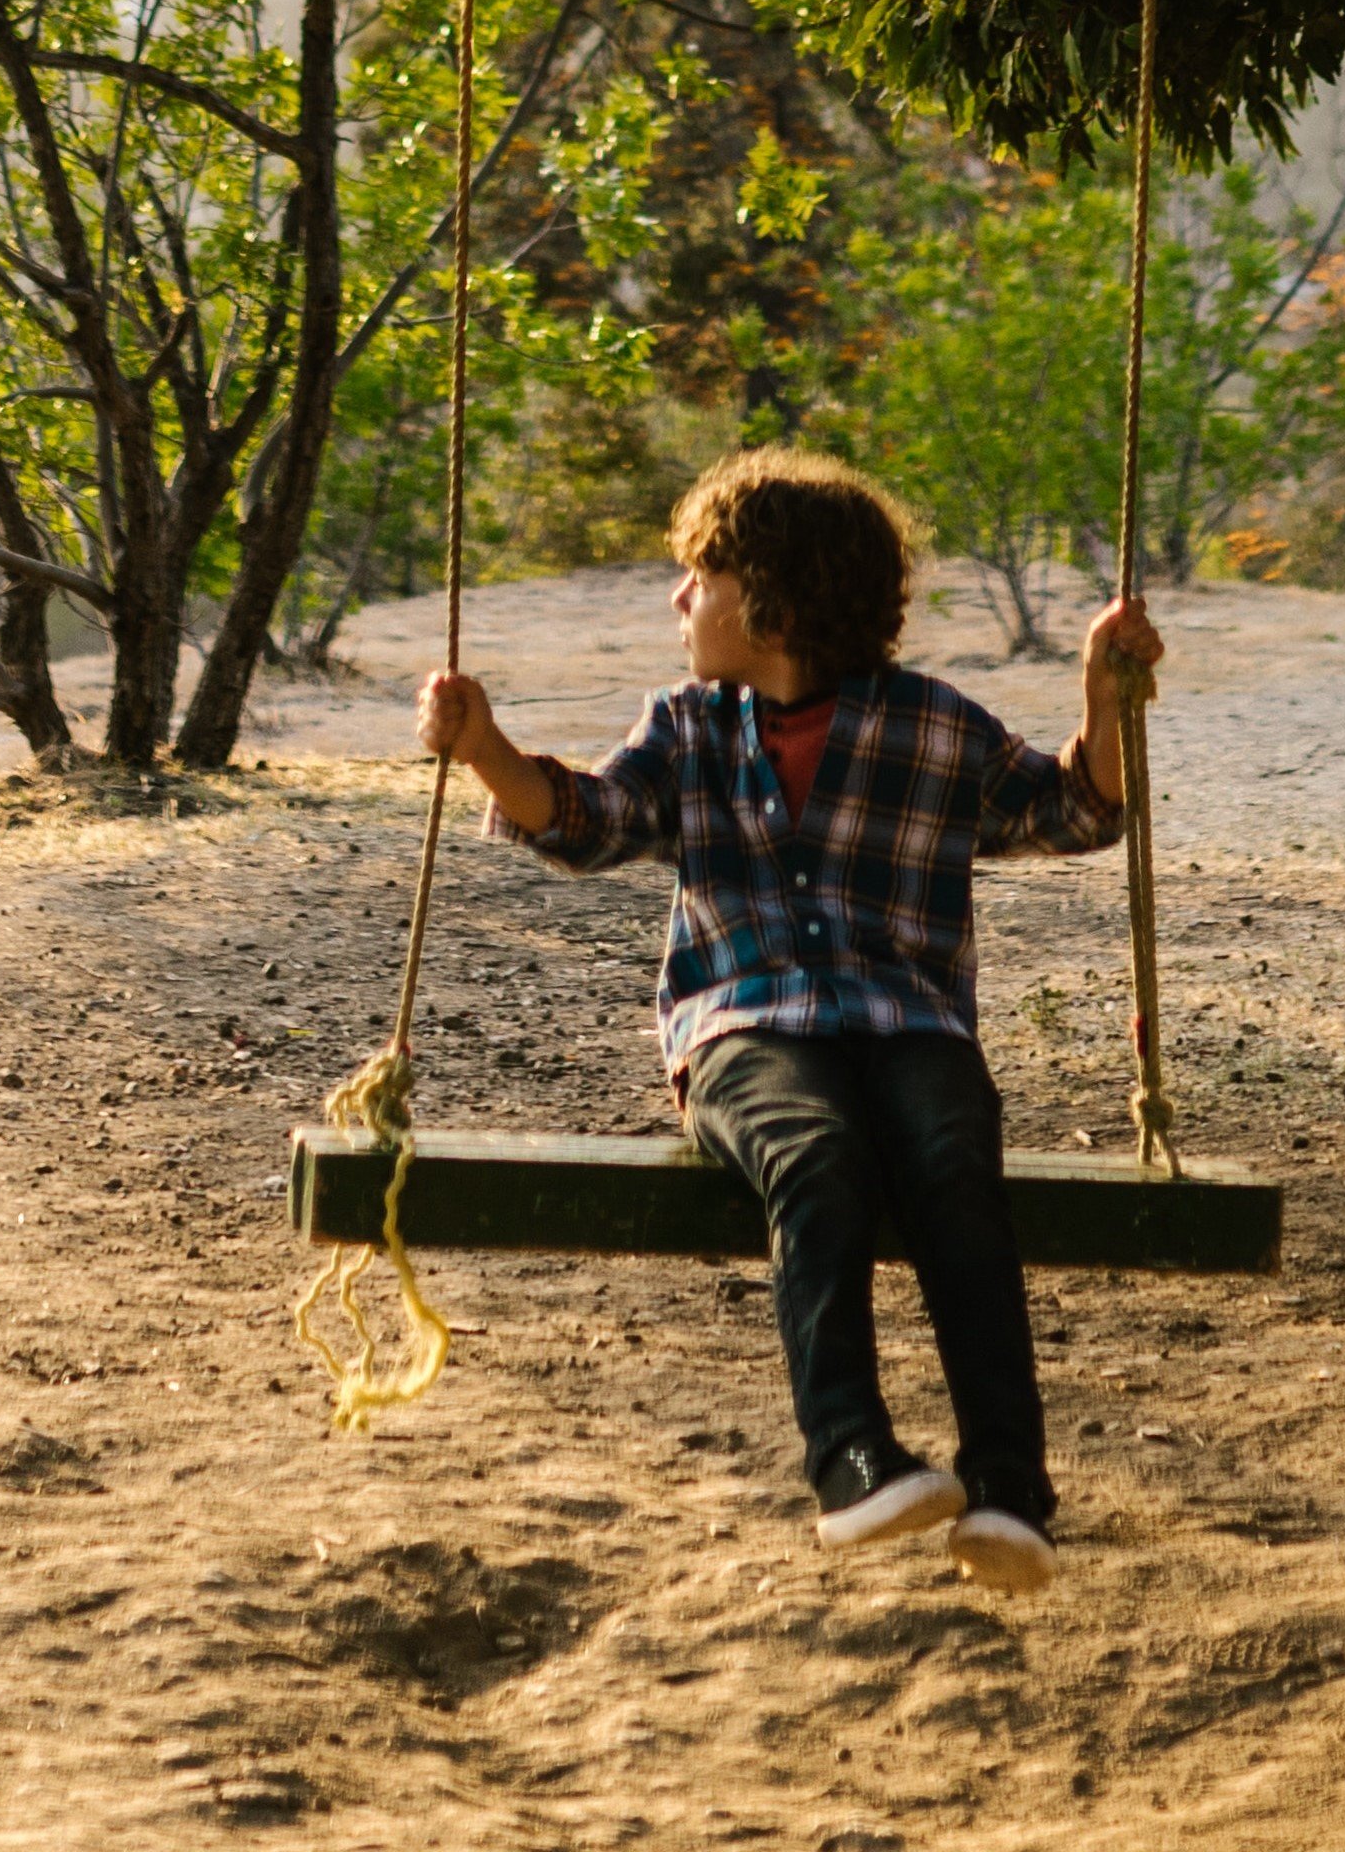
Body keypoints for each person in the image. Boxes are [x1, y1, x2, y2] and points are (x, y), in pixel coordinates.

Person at [415, 447, 1163, 1594]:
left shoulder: (929, 726)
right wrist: (484, 751)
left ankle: (1010, 1487)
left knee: (953, 1162)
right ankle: (852, 1458)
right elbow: (586, 819)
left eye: (698, 576)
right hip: (742, 1025)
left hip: (909, 1021)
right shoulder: (687, 728)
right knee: (813, 1157)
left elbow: (1076, 808)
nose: (678, 599)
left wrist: (1100, 702)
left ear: (771, 601)